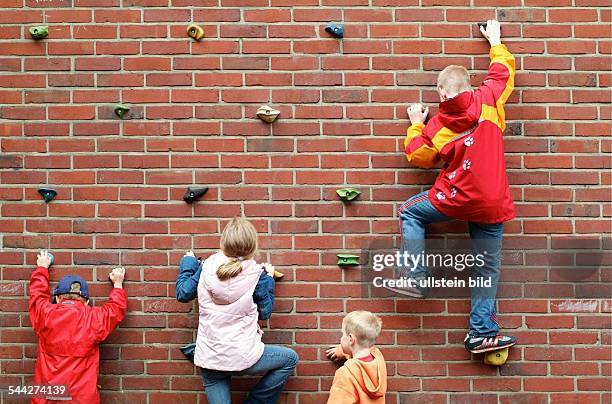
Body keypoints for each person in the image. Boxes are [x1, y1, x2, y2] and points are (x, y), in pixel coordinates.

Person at [396, 20, 517, 354]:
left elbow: (418, 156)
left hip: (453, 199)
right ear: (469, 86)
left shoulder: (437, 125)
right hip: (491, 202)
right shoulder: (489, 100)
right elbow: (502, 72)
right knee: (486, 265)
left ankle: (415, 276)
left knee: (409, 210)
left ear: (441, 94)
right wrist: (495, 40)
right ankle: (481, 332)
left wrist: (415, 126)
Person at [176, 217, 298, 403]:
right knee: (290, 359)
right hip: (243, 356)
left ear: (223, 243)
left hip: (211, 357)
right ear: (252, 246)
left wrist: (189, 264)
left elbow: (183, 293)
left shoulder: (206, 268)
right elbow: (265, 313)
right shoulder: (258, 276)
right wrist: (269, 279)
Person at [29, 250, 127, 404]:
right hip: (82, 399)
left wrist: (42, 268)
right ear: (86, 301)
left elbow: (37, 295)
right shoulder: (93, 319)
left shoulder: (45, 314)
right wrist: (118, 285)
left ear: (57, 298)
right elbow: (115, 310)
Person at [325, 311, 387, 403]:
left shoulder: (345, 374)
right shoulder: (378, 358)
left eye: (343, 334)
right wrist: (342, 351)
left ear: (351, 339)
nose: (341, 338)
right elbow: (363, 349)